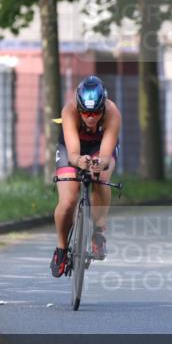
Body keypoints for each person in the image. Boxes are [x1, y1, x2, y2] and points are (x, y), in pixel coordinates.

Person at [51, 75, 122, 278]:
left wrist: (99, 163)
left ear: (103, 107)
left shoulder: (113, 113)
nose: (91, 117)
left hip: (100, 148)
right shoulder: (69, 110)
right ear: (78, 107)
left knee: (101, 176)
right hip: (72, 148)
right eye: (86, 112)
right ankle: (61, 248)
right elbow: (73, 154)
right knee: (68, 201)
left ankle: (98, 232)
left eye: (96, 112)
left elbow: (106, 155)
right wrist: (79, 160)